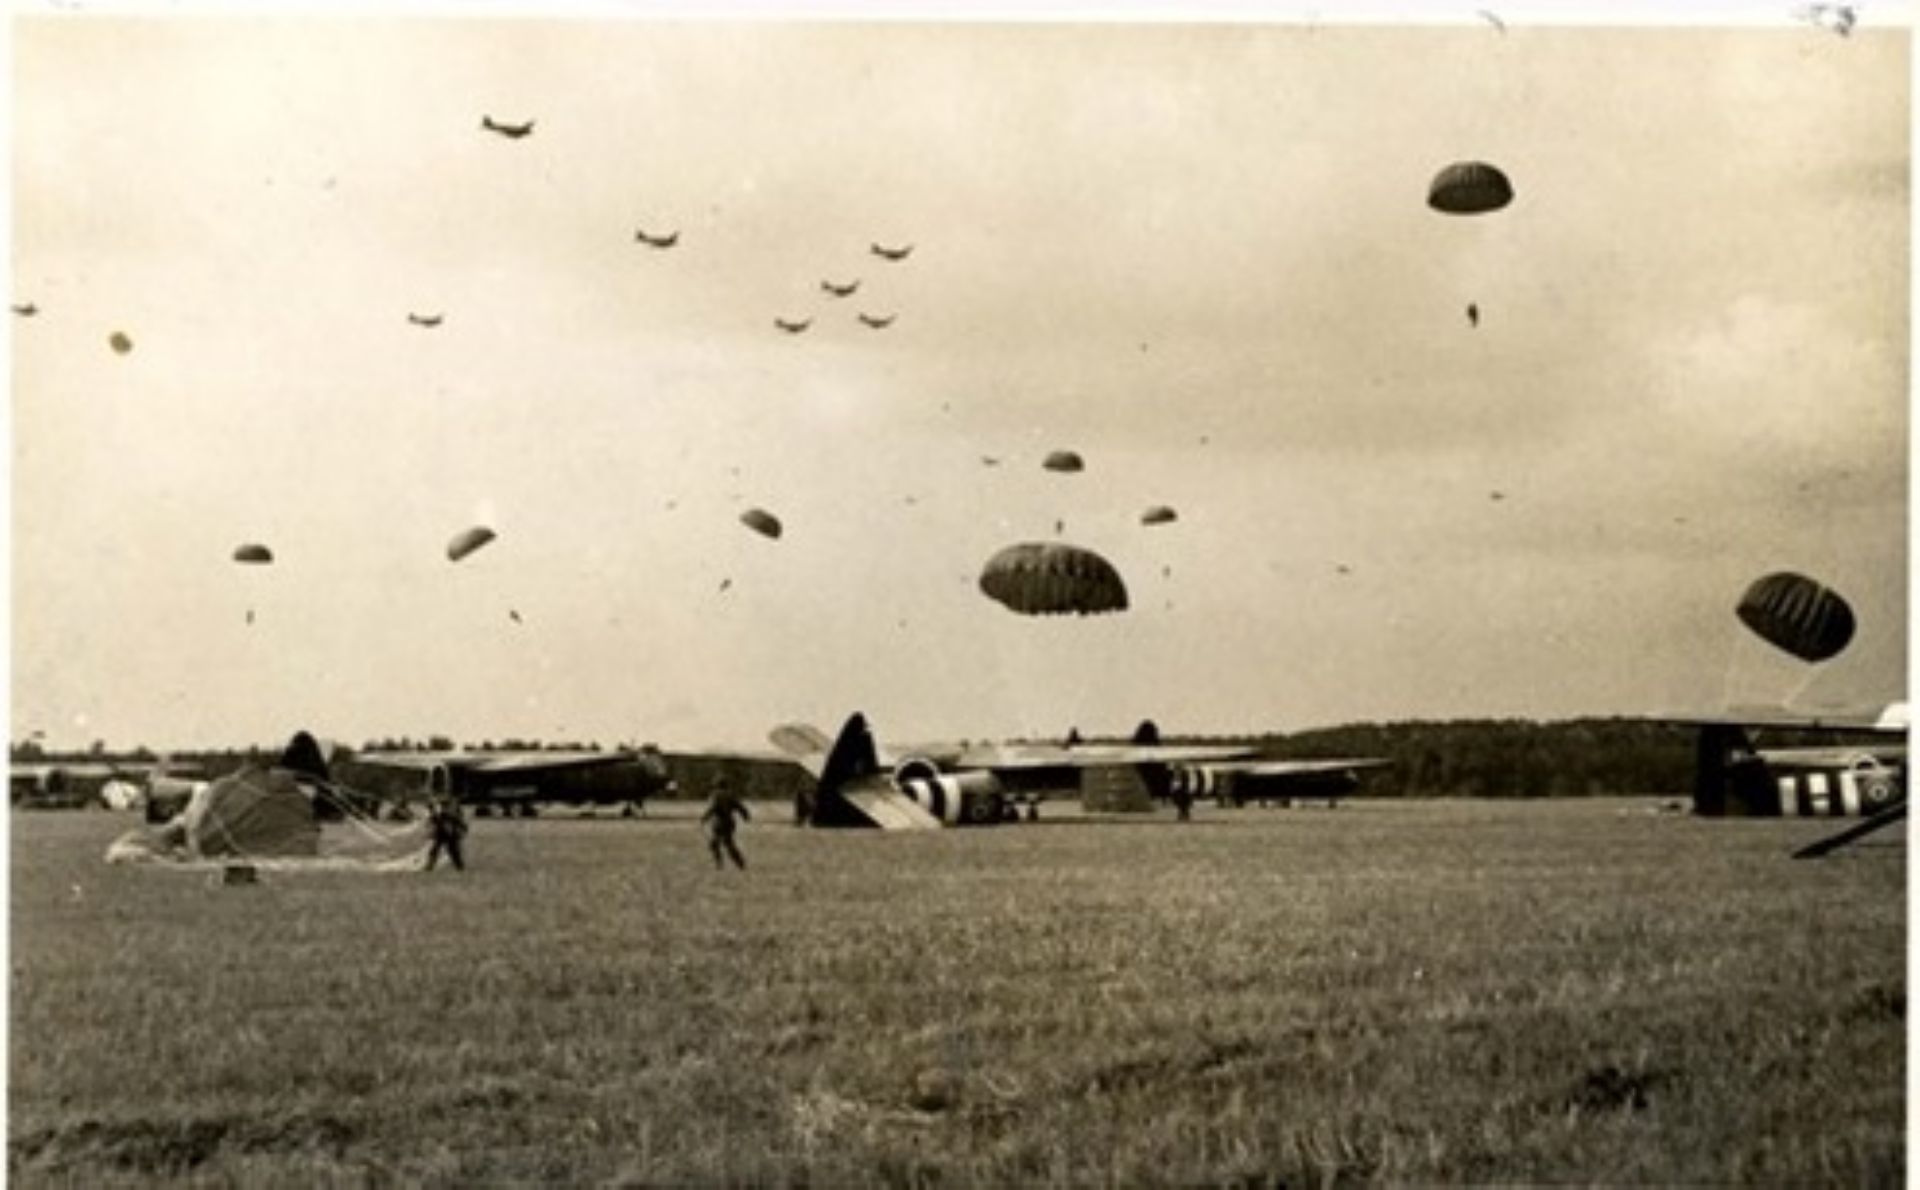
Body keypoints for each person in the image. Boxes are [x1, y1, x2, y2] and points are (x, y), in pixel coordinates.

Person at [701, 781, 751, 869]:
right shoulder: (731, 795)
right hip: (729, 822)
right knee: (728, 843)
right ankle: (740, 863)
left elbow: (712, 807)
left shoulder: (715, 795)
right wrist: (745, 816)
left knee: (714, 844)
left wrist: (705, 818)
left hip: (719, 823)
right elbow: (740, 807)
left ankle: (719, 863)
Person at [425, 793, 467, 872]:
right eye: (443, 806)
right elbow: (432, 820)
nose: (444, 808)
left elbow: (461, 823)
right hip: (441, 834)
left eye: (445, 806)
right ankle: (430, 865)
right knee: (435, 850)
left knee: (454, 852)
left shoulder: (452, 815)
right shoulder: (440, 814)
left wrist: (461, 831)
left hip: (450, 835)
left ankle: (459, 866)